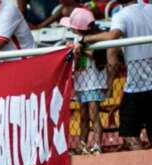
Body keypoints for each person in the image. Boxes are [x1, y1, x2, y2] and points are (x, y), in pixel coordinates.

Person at [77, 0, 152, 150]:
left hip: (137, 87)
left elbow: (113, 35)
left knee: (131, 136)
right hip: (138, 83)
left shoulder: (121, 15)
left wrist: (85, 39)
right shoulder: (150, 8)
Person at [64, 8, 109, 154]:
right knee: (83, 116)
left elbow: (100, 59)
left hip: (94, 83)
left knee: (94, 116)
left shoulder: (95, 38)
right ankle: (82, 145)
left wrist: (82, 50)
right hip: (81, 82)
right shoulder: (76, 39)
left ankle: (97, 145)